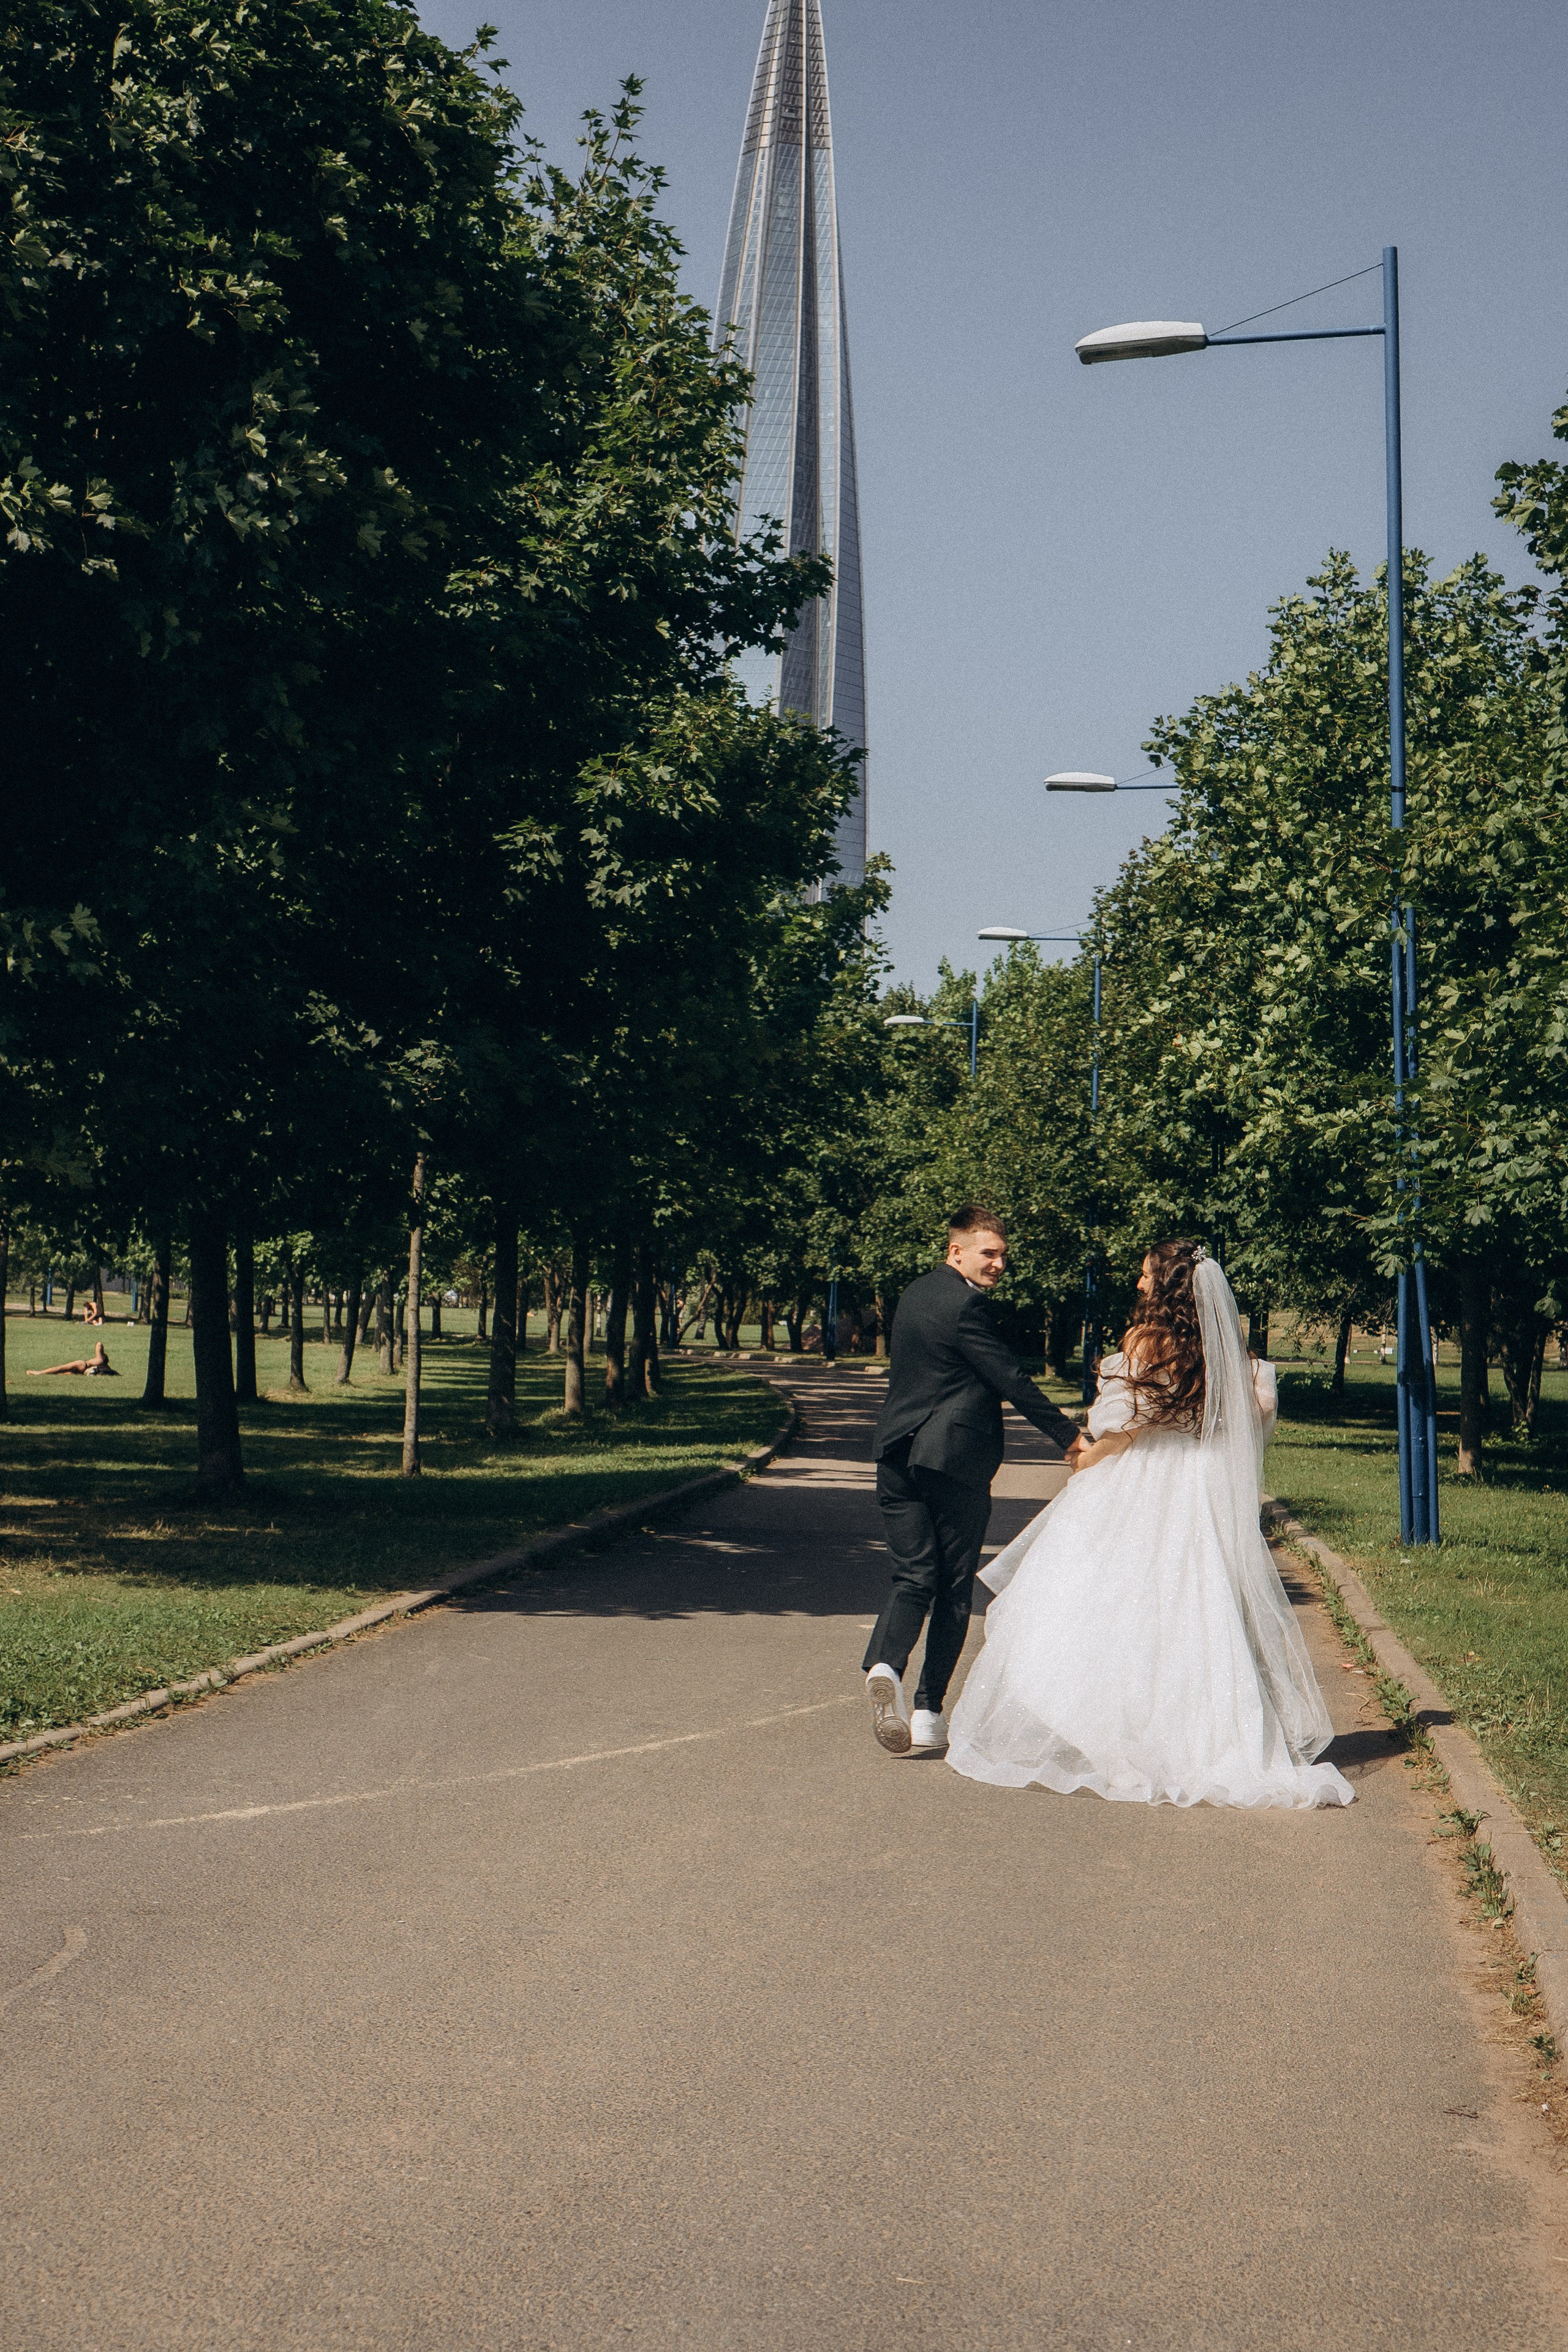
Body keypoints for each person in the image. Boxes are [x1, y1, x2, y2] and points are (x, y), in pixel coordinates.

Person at [946, 1238, 1353, 1811]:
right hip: (1201, 1490)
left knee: (1113, 1602)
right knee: (1197, 1609)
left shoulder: (1148, 1342)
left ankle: (1126, 1734)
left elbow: (1125, 1426)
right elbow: (1253, 1422)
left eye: (1145, 1275)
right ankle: (1203, 1739)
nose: (1139, 1284)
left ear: (1167, 1286)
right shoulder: (1236, 1356)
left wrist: (1085, 1457)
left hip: (1145, 1485)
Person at [864, 1206, 1085, 1757]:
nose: (999, 1264)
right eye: (988, 1253)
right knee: (954, 1586)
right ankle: (928, 1712)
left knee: (913, 1575)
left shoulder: (914, 1293)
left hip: (895, 1455)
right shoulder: (968, 1306)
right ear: (955, 1251)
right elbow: (1009, 1377)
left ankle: (886, 1665)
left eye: (1003, 1254)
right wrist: (1069, 1437)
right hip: (952, 1459)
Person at [26, 1340, 118, 1378]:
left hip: (82, 1364)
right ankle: (43, 1374)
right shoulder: (105, 1367)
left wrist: (101, 1351)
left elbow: (99, 1344)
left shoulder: (100, 1359)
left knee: (61, 1368)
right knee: (60, 1373)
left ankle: (40, 1373)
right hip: (83, 1372)